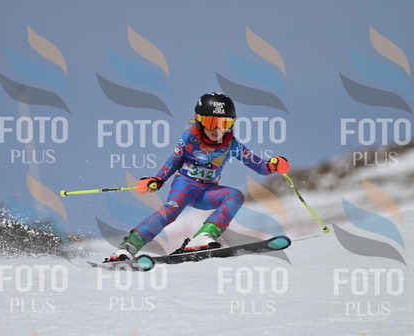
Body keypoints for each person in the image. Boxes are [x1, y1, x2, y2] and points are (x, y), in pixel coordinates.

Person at [107, 92, 290, 262]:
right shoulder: (190, 138)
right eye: (211, 122)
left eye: (224, 123)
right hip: (184, 186)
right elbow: (174, 161)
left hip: (207, 192)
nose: (217, 129)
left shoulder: (231, 144)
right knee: (170, 212)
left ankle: (204, 236)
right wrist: (158, 179)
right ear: (199, 120)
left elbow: (258, 165)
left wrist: (273, 165)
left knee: (235, 195)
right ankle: (128, 247)